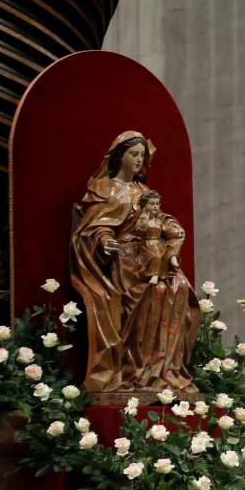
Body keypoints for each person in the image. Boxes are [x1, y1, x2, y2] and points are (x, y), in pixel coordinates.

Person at [70, 131, 200, 392]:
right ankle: (134, 369)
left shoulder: (144, 190)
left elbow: (158, 219)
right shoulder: (105, 190)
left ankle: (161, 369)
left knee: (179, 287)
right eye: (134, 154)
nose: (139, 159)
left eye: (142, 154)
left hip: (149, 257)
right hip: (124, 263)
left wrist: (172, 227)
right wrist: (105, 241)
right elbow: (93, 227)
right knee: (150, 292)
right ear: (120, 157)